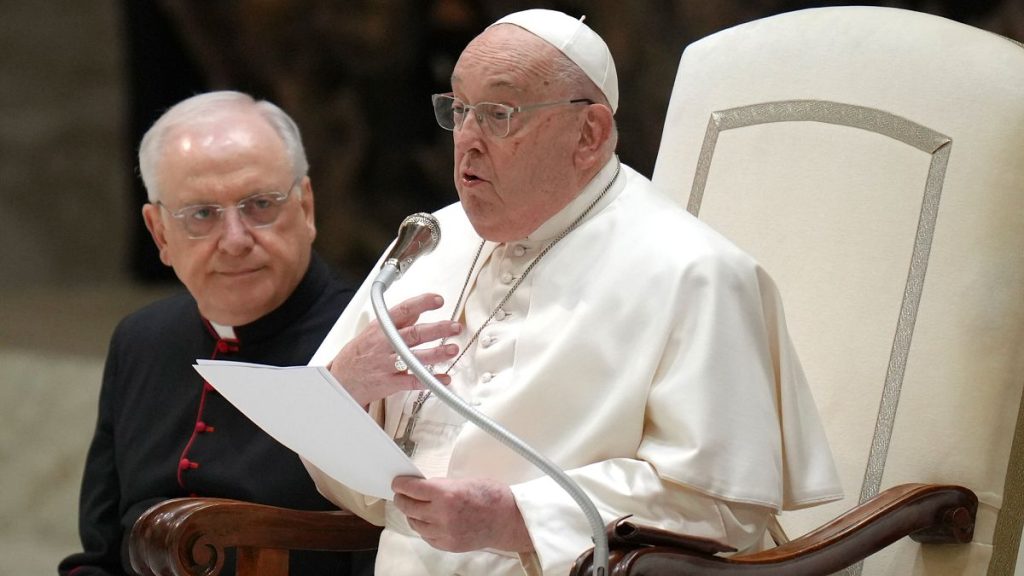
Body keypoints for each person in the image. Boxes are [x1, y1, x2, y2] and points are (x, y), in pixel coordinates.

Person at [305, 9, 843, 575]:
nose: (468, 140)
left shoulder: (695, 272)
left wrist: (516, 518)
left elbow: (722, 510)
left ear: (589, 134)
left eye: (499, 114)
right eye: (459, 110)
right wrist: (346, 387)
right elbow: (353, 482)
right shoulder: (431, 240)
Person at [59, 91, 374, 575]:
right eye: (202, 215)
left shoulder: (366, 341)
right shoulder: (141, 340)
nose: (235, 240)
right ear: (160, 234)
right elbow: (101, 553)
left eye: (260, 205)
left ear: (306, 207)